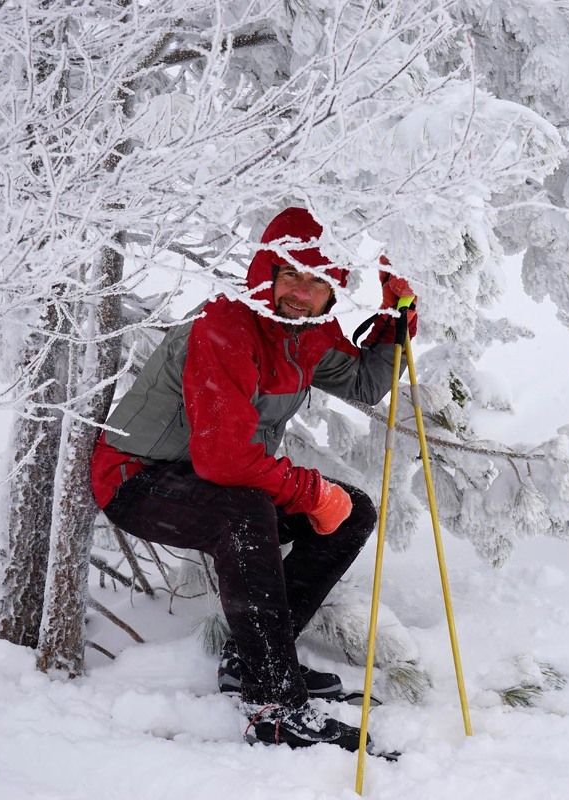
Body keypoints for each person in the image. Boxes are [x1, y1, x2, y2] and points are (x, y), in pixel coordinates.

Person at [90, 207, 415, 753]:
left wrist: (392, 319)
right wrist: (311, 491)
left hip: (217, 481)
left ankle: (251, 662)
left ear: (333, 291)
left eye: (319, 282)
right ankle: (274, 707)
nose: (302, 292)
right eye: (291, 274)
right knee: (245, 512)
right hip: (137, 477)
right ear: (267, 271)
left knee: (350, 512)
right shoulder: (225, 327)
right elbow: (223, 458)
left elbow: (363, 383)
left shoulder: (309, 332)